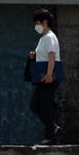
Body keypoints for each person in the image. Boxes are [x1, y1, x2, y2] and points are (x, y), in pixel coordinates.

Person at [29, 8, 63, 145]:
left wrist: (49, 74)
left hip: (48, 77)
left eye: (37, 22)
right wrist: (34, 56)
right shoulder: (44, 38)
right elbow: (45, 55)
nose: (36, 26)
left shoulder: (49, 37)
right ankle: (53, 128)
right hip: (43, 77)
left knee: (44, 106)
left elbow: (51, 56)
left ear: (44, 22)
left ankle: (50, 136)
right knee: (35, 105)